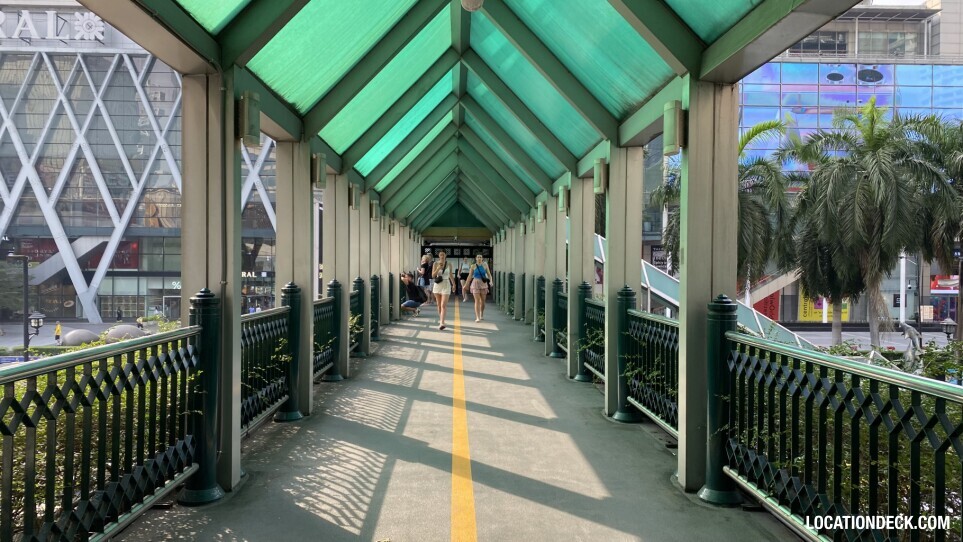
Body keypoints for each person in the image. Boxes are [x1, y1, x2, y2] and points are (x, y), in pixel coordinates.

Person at [466, 254, 493, 322]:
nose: (479, 258)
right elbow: (469, 276)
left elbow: (489, 275)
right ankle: (477, 317)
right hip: (475, 283)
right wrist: (466, 284)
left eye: (480, 257)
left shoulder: (485, 265)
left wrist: (491, 281)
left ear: (482, 258)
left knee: (483, 301)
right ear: (476, 258)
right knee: (477, 301)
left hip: (483, 284)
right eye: (478, 257)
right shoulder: (473, 266)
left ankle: (482, 314)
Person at [431, 250, 455, 330]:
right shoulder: (435, 263)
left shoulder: (449, 264)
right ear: (438, 256)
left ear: (445, 255)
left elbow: (451, 275)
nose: (442, 256)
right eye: (440, 255)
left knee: (443, 305)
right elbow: (433, 275)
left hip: (446, 284)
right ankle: (441, 320)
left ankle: (441, 322)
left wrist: (454, 284)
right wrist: (438, 268)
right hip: (437, 285)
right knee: (438, 304)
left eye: (443, 255)